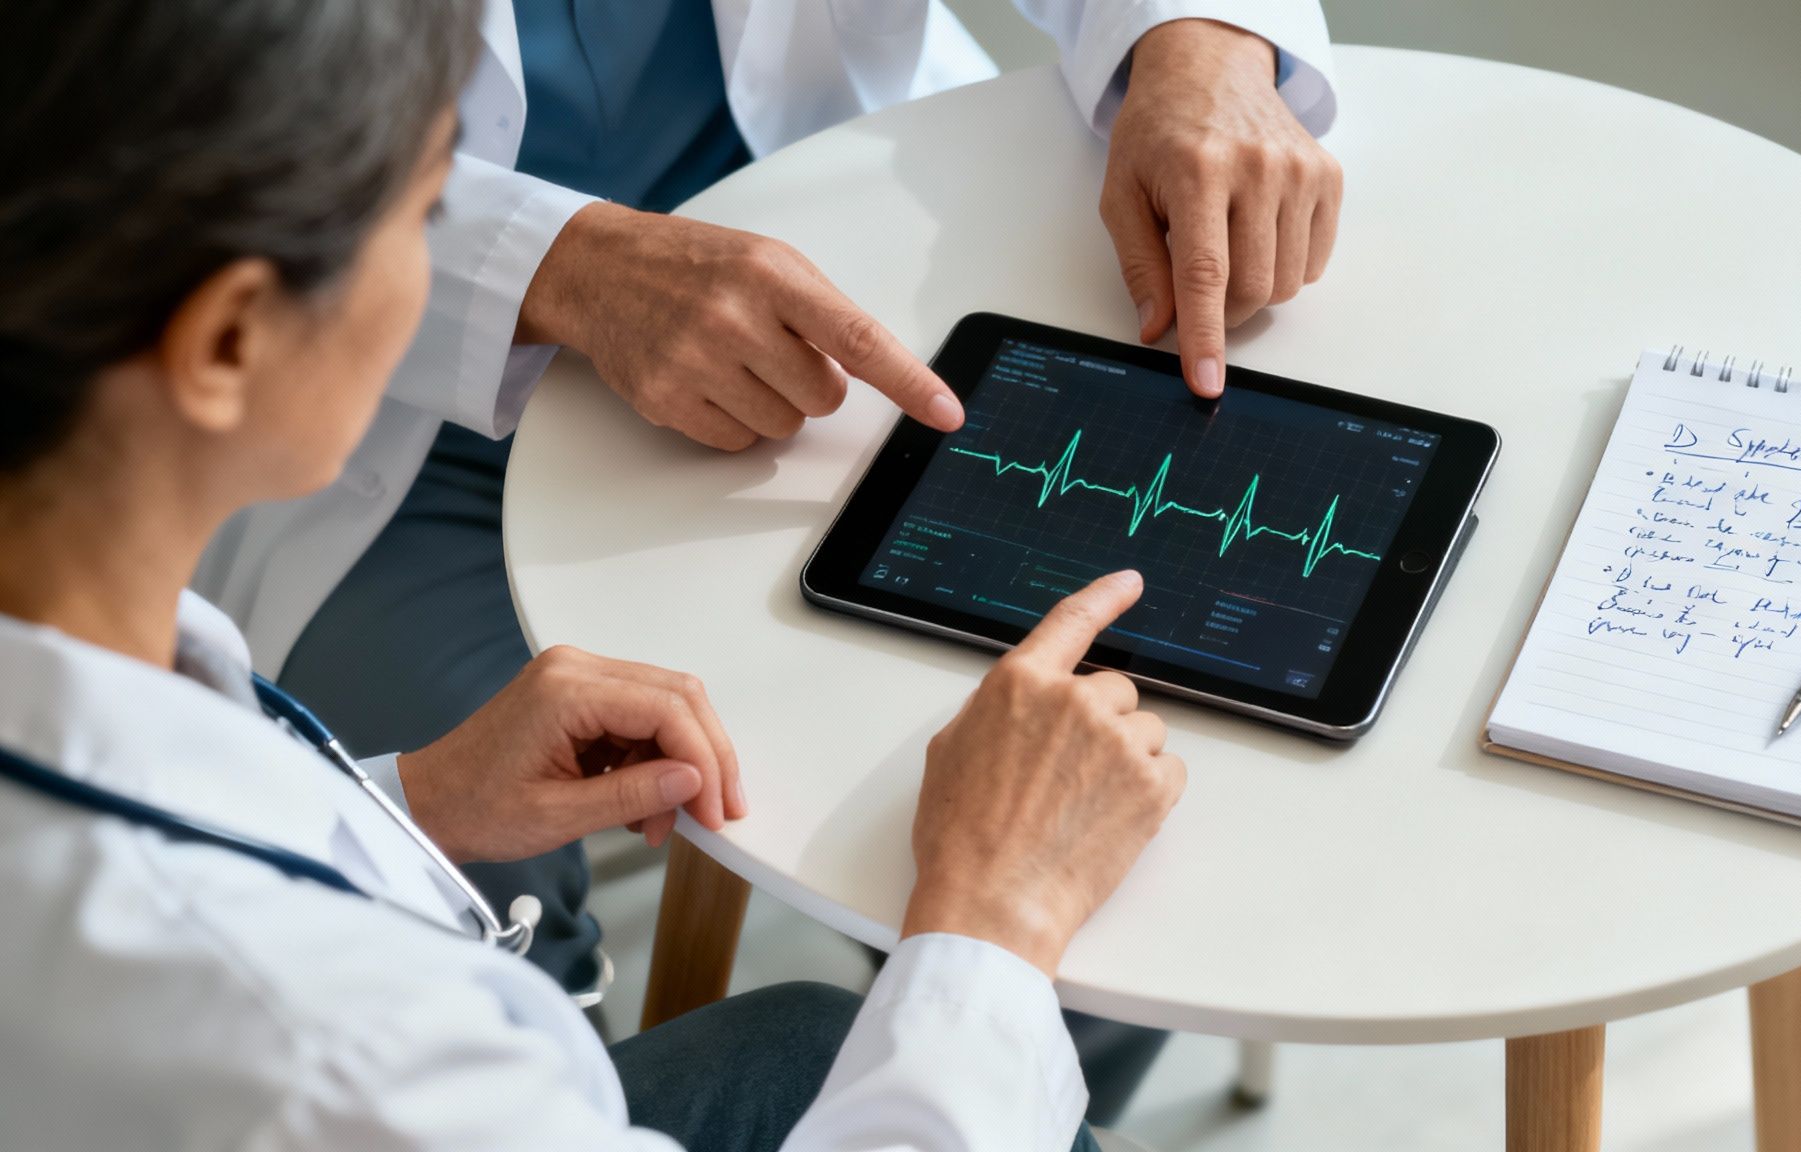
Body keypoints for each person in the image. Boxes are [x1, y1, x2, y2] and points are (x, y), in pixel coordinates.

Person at [0, 2, 1185, 1148]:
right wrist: (993, 922)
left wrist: (408, 805)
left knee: (808, 1044)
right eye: (427, 209)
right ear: (229, 341)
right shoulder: (343, 1058)